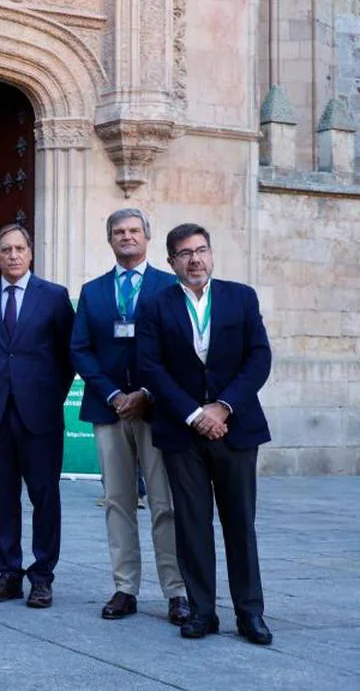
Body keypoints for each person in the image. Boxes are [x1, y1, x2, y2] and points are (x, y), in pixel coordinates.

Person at [137, 223, 274, 645]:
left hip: (235, 428)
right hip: (183, 433)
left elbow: (259, 357)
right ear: (171, 261)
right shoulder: (156, 306)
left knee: (239, 523)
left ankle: (250, 613)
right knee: (192, 524)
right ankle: (202, 611)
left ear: (211, 254)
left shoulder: (240, 297)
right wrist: (195, 413)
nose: (194, 259)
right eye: (184, 253)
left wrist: (222, 406)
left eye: (201, 250)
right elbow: (150, 367)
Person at [71, 209, 190, 624]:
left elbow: (178, 348)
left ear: (148, 237)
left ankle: (176, 592)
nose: (127, 237)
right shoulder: (93, 290)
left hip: (157, 411)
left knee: (165, 503)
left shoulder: (169, 286)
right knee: (118, 502)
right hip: (108, 409)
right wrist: (112, 393)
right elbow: (80, 349)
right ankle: (125, 588)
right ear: (110, 240)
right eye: (119, 232)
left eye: (134, 231)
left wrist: (144, 393)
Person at [0, 224, 74, 609]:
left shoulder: (53, 297)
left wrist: (48, 396)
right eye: (6, 249)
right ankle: (9, 573)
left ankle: (42, 576)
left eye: (20, 248)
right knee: (3, 497)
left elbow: (69, 356)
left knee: (44, 497)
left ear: (30, 253)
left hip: (40, 415)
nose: (13, 255)